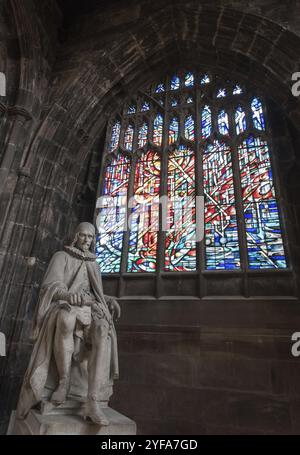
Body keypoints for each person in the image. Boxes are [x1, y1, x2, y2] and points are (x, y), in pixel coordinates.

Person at [16, 222, 120, 426]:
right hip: (64, 305)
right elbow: (50, 287)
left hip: (90, 309)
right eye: (83, 236)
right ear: (75, 236)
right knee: (66, 319)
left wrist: (108, 300)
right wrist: (68, 296)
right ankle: (63, 382)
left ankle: (92, 400)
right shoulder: (61, 256)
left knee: (102, 329)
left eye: (90, 237)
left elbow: (95, 293)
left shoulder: (93, 263)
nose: (86, 240)